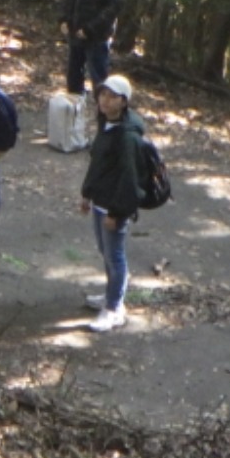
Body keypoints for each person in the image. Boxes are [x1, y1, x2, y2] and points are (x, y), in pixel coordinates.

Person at [78, 74, 147, 333]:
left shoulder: (127, 136)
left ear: (124, 101)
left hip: (113, 207)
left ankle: (114, 308)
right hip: (100, 201)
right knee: (105, 251)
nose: (104, 101)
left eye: (111, 97)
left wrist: (117, 212)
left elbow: (130, 178)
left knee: (114, 255)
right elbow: (98, 164)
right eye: (102, 95)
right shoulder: (106, 123)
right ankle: (111, 295)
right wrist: (87, 193)